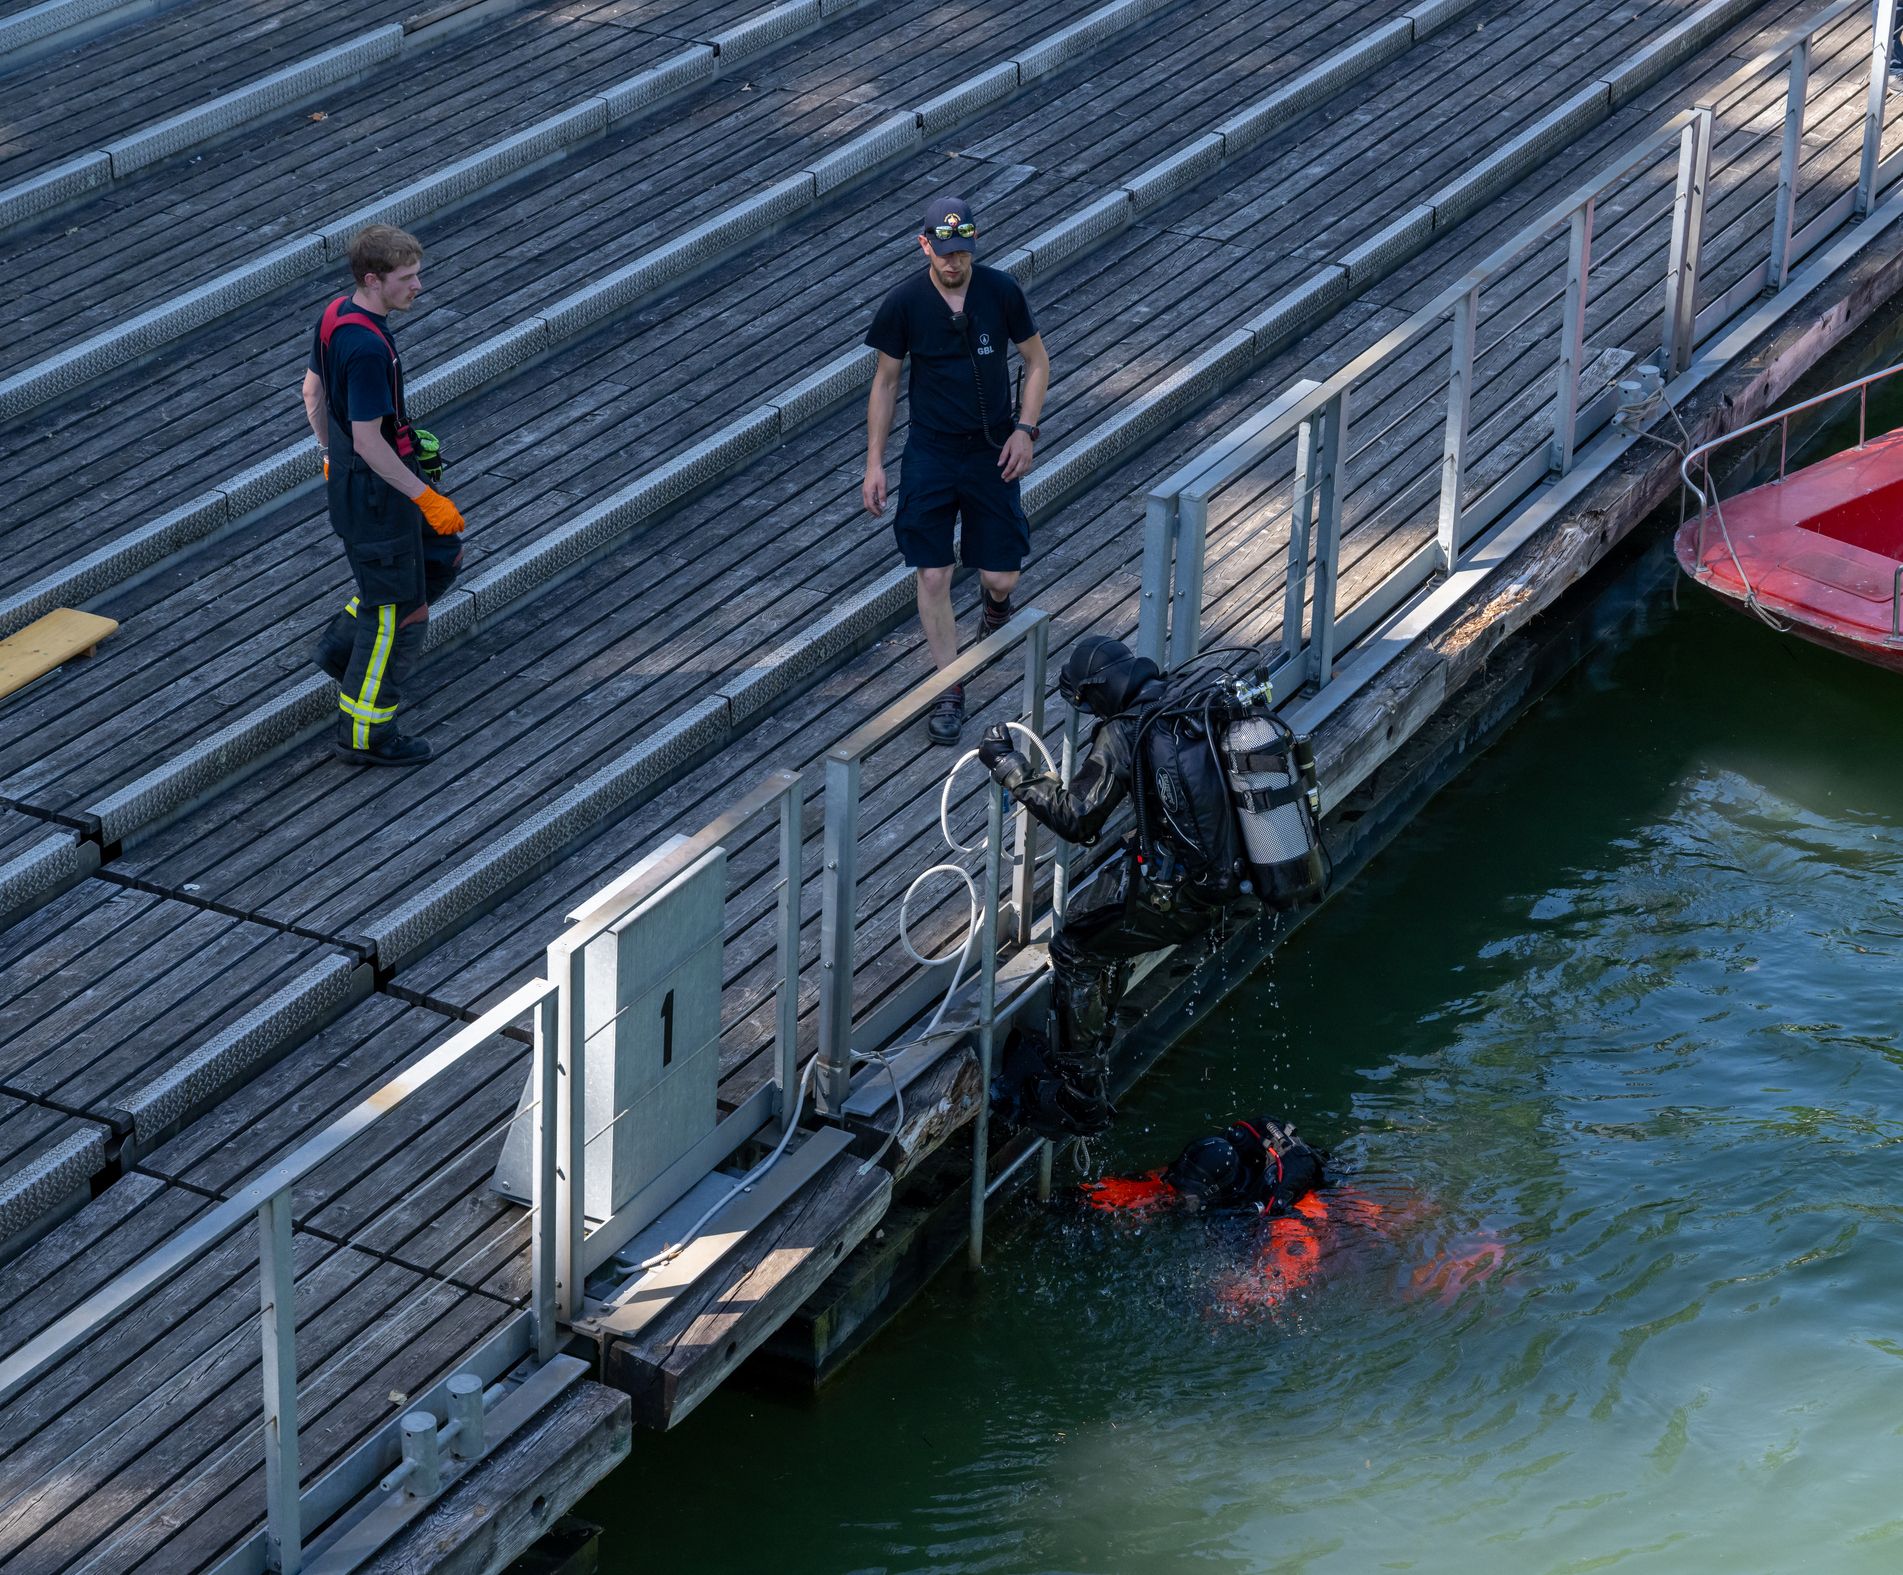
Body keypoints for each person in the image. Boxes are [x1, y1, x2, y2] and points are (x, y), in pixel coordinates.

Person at [978, 635, 1246, 1140]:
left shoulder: (1126, 731)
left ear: (1098, 692)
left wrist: (1009, 768)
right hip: (1234, 871)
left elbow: (1076, 817)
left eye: (1082, 702)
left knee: (1075, 946)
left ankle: (1079, 1092)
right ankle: (1093, 1046)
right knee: (1111, 923)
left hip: (1185, 894)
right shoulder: (1190, 698)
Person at [863, 197, 1051, 745]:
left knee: (1001, 576)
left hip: (992, 448)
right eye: (943, 253)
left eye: (962, 252)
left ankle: (995, 607)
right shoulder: (903, 304)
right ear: (925, 246)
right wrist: (875, 463)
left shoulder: (1001, 291)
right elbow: (886, 382)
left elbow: (1037, 362)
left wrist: (1027, 429)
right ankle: (948, 686)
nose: (953, 263)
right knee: (933, 572)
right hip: (931, 450)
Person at [299, 224, 467, 767]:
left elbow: (312, 391)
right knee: (400, 611)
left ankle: (343, 650)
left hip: (361, 476)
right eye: (407, 277)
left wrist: (332, 452)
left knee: (440, 559)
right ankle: (366, 733)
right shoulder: (369, 349)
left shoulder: (336, 314)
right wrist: (426, 497)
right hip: (377, 492)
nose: (419, 285)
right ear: (373, 280)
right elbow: (371, 441)